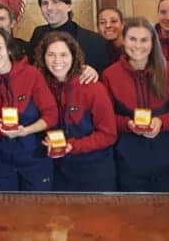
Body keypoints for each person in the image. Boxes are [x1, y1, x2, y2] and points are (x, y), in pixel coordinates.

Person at [101, 17, 169, 192]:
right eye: (132, 39)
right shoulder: (109, 75)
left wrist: (161, 122)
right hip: (127, 160)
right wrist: (127, 124)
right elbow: (106, 118)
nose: (138, 45)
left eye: (144, 40)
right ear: (123, 40)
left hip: (167, 158)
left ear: (153, 43)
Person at [0, 27, 58, 191]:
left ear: (8, 49)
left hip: (34, 160)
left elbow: (51, 115)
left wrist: (25, 131)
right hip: (1, 162)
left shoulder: (31, 75)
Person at [36, 31, 117, 191]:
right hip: (58, 171)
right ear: (43, 58)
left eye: (63, 55)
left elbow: (109, 135)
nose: (57, 61)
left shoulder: (93, 88)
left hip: (94, 172)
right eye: (51, 55)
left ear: (73, 57)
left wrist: (72, 146)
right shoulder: (41, 87)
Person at [29, 0, 109, 73]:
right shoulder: (38, 34)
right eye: (45, 3)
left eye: (55, 2)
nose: (49, 8)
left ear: (69, 6)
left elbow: (103, 74)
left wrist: (93, 72)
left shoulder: (94, 40)